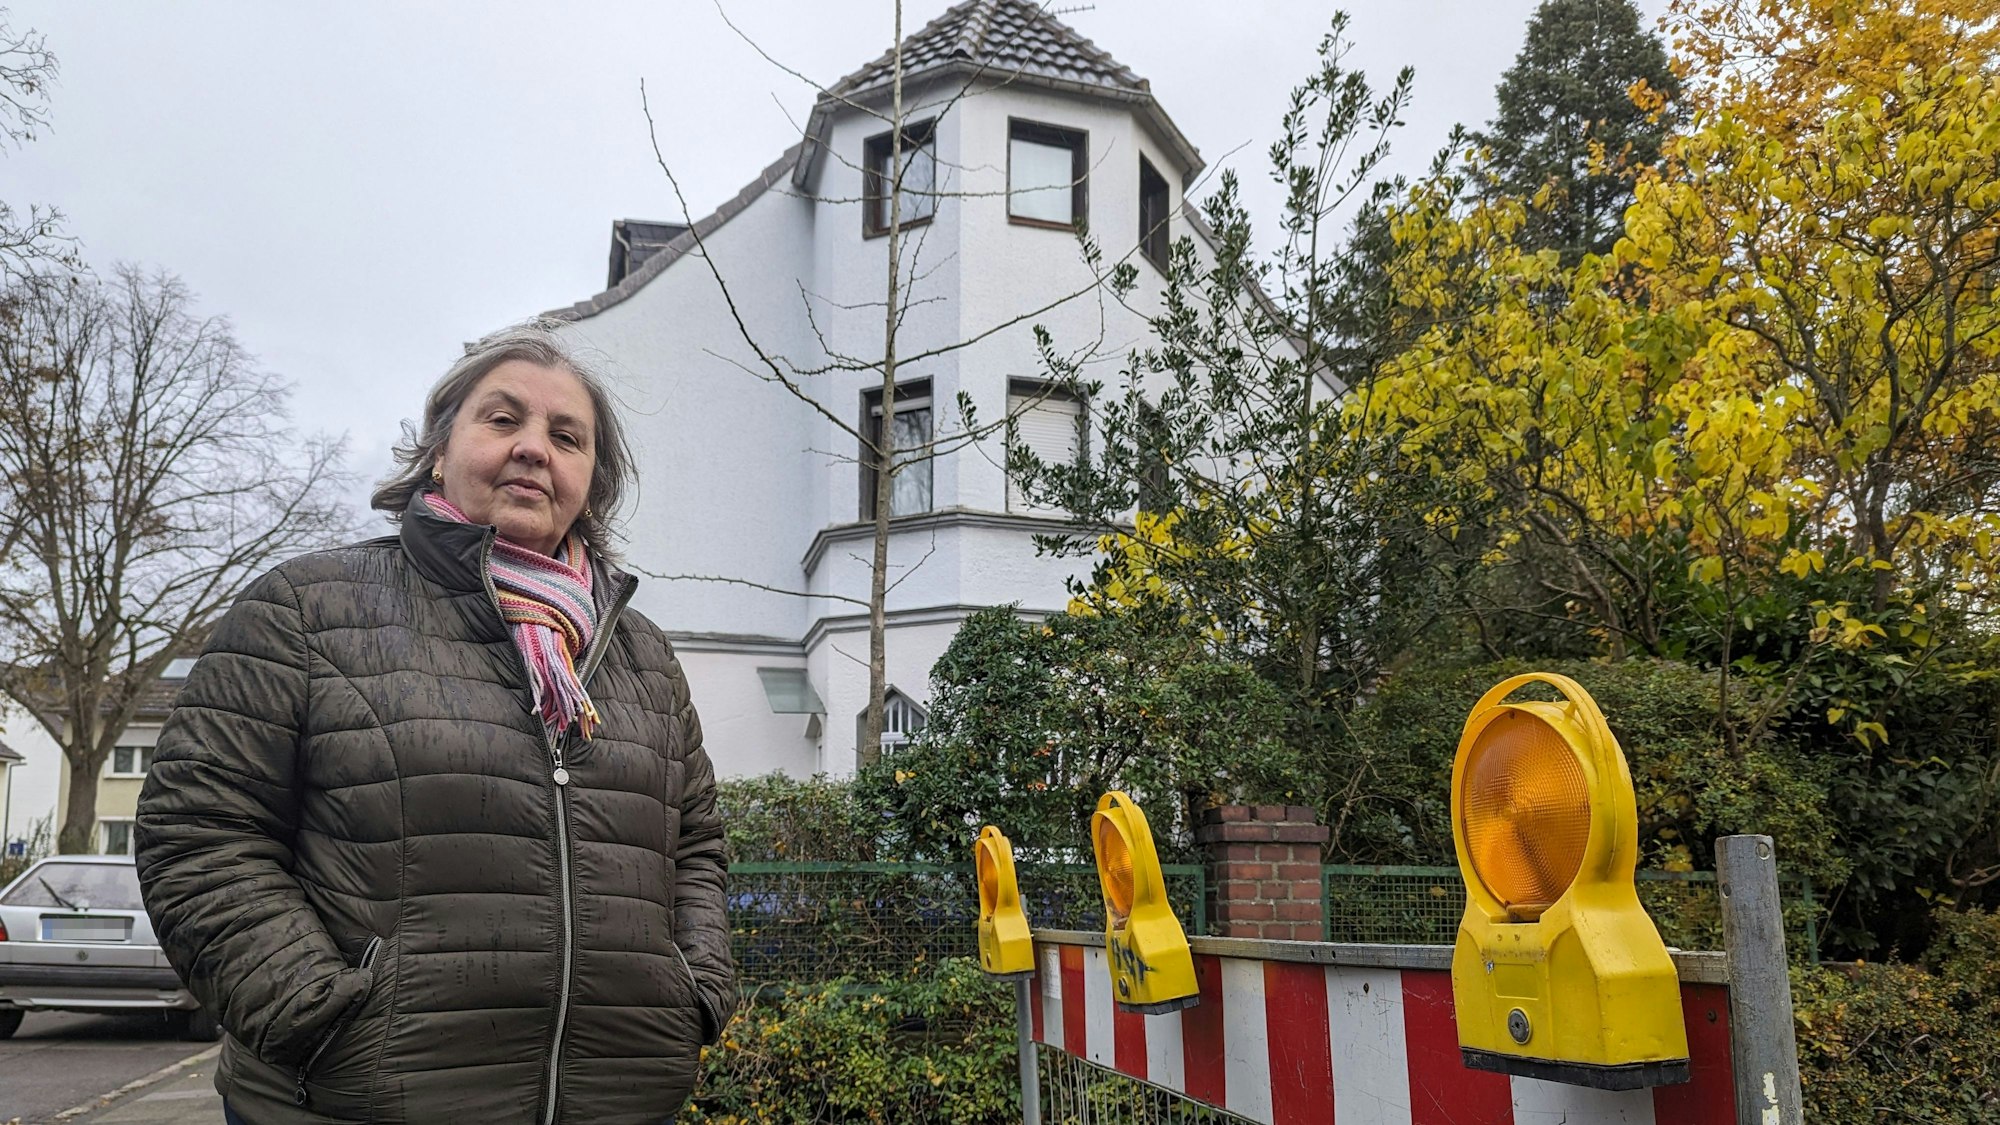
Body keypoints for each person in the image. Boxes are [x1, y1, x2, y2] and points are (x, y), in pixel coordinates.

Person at [135, 324, 735, 1124]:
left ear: (591, 482)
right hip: (357, 1101)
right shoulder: (307, 610)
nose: (534, 449)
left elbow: (693, 845)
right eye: (502, 420)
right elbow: (200, 834)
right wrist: (314, 1014)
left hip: (616, 1101)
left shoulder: (643, 657)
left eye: (566, 436)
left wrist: (694, 989)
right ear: (439, 453)